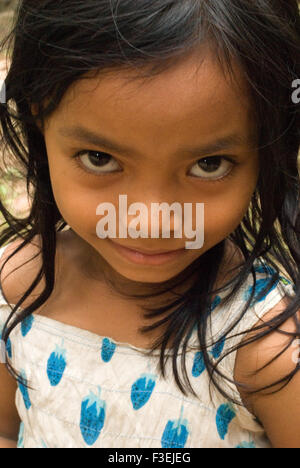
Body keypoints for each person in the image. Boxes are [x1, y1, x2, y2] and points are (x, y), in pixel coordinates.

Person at [0, 0, 299, 449]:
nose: (151, 221)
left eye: (209, 164)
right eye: (100, 159)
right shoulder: (19, 287)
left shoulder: (263, 345)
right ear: (39, 121)